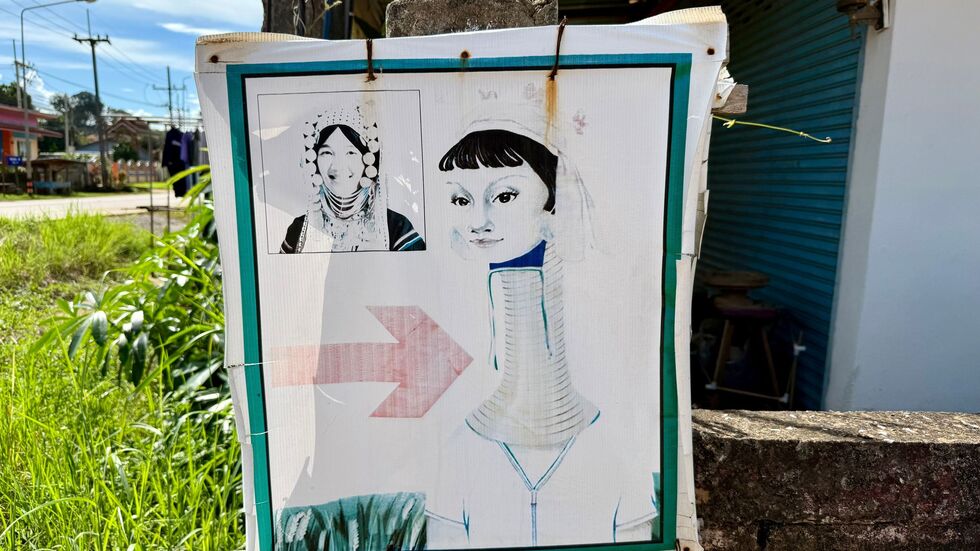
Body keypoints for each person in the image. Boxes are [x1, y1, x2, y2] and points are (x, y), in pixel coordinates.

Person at [280, 105, 425, 253]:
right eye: (327, 152)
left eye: (350, 152)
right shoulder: (299, 229)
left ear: (368, 160)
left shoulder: (398, 228)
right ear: (315, 161)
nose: (338, 166)